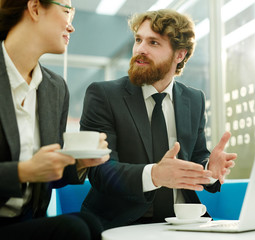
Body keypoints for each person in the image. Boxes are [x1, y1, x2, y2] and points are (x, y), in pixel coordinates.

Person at [80, 9, 237, 230]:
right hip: (122, 222)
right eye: (138, 40)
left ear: (179, 55)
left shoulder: (194, 99)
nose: (140, 49)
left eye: (153, 43)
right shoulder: (104, 95)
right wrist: (154, 175)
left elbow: (196, 156)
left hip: (184, 223)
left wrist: (209, 169)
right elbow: (99, 171)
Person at [0, 1, 110, 239]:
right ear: (35, 8)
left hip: (27, 219)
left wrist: (80, 162)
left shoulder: (55, 88)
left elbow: (51, 177)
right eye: (66, 11)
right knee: (73, 229)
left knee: (90, 223)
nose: (72, 27)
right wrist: (23, 172)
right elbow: (31, 171)